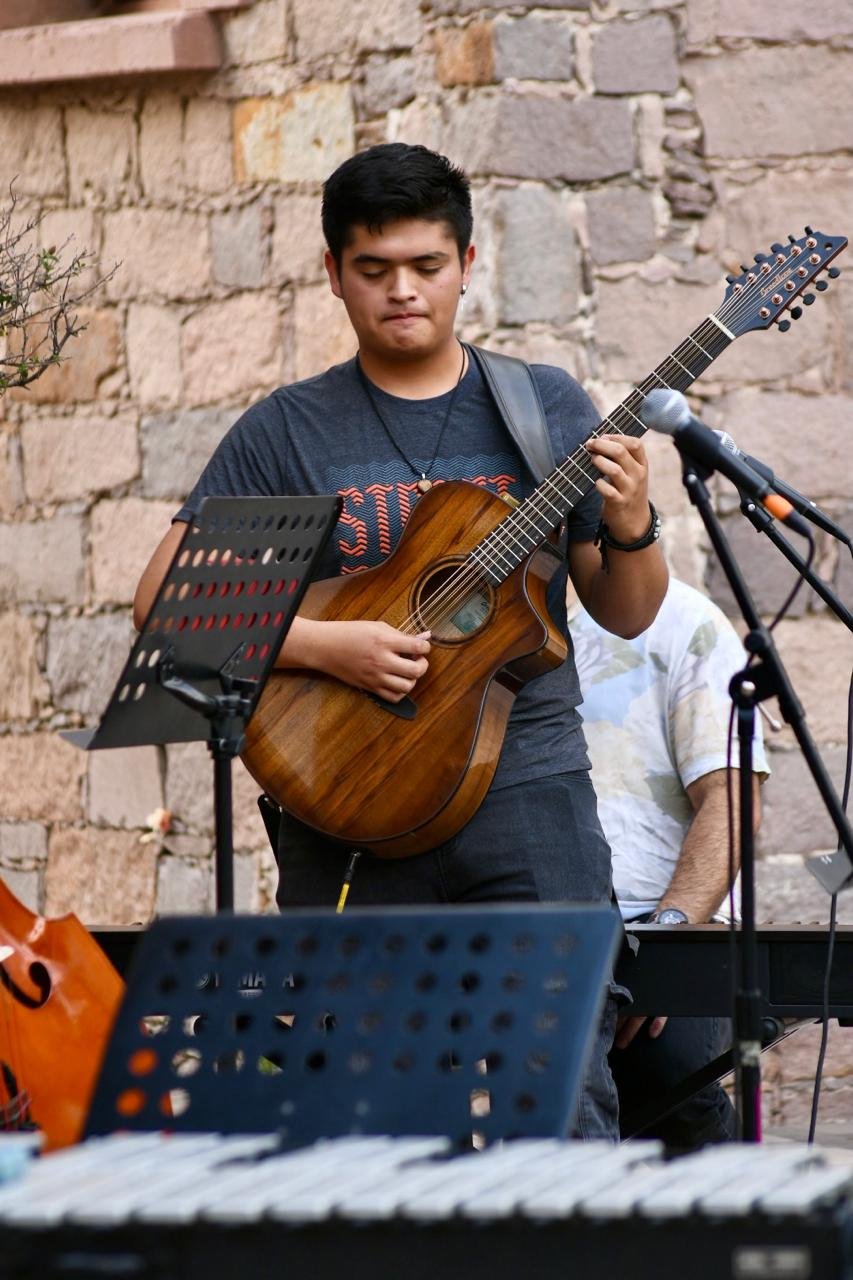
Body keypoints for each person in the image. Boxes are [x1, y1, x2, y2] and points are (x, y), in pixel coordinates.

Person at [134, 142, 669, 1139]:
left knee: (554, 1094)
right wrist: (325, 647)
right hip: (349, 800)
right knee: (368, 1114)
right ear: (333, 274)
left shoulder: (540, 407)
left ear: (468, 262)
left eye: (426, 266)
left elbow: (625, 609)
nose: (402, 292)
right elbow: (167, 599)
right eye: (374, 271)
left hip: (527, 801)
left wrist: (633, 521)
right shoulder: (287, 432)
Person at [568, 574, 770, 1147]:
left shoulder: (683, 622)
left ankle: (740, 1215)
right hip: (548, 929)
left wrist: (667, 937)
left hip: (661, 925)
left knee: (665, 1072)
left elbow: (730, 802)